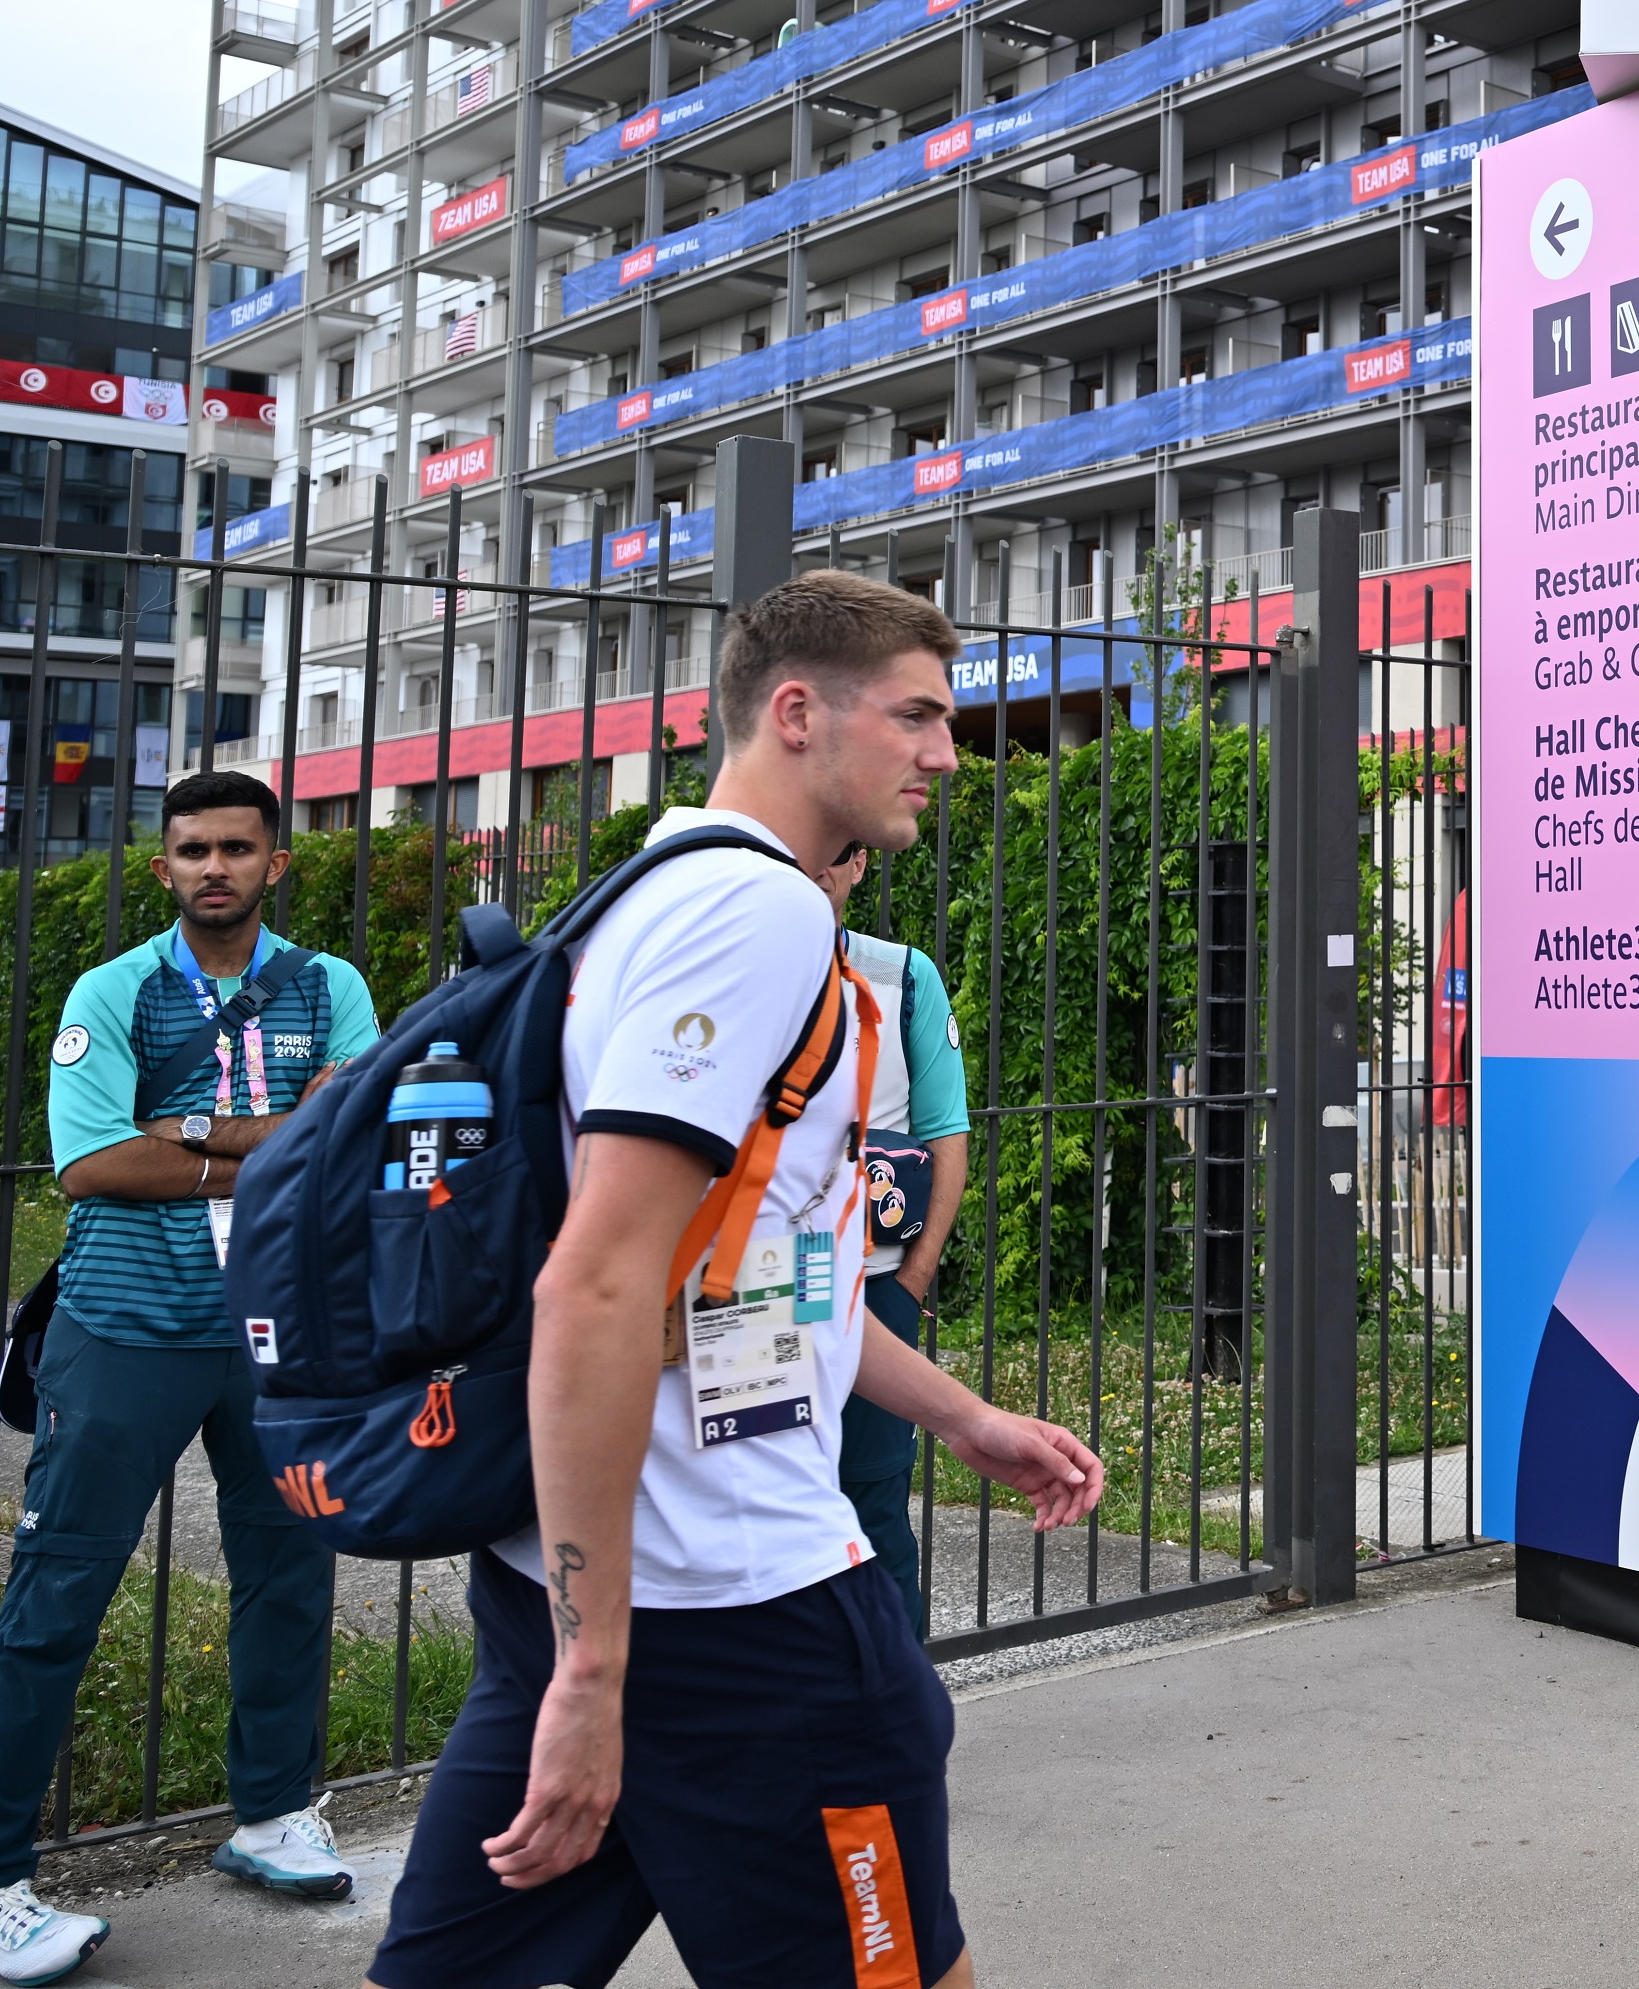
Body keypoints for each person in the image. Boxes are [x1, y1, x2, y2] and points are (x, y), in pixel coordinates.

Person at [371, 574, 1110, 1989]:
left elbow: (753, 1276)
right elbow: (593, 1283)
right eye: (917, 715)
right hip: (735, 1619)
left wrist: (963, 1417)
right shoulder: (758, 920)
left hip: (563, 1587)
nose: (947, 753)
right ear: (794, 712)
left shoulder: (643, 886)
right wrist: (600, 1675)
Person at [0, 772, 378, 1985]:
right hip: (125, 1326)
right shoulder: (113, 989)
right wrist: (264, 1140)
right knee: (55, 1600)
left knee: (289, 1573)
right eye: (193, 849)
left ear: (277, 862)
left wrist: (182, 1130)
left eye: (238, 847)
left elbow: (352, 1136)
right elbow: (89, 1166)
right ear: (165, 866)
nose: (215, 867)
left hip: (277, 1329)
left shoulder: (327, 986)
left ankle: (272, 1812)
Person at [820, 848, 972, 1644]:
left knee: (873, 1497)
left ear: (860, 865)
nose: (822, 867)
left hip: (873, 1283)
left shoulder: (899, 974)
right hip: (751, 1293)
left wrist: (911, 1279)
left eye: (839, 853)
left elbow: (946, 1131)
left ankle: (891, 1704)